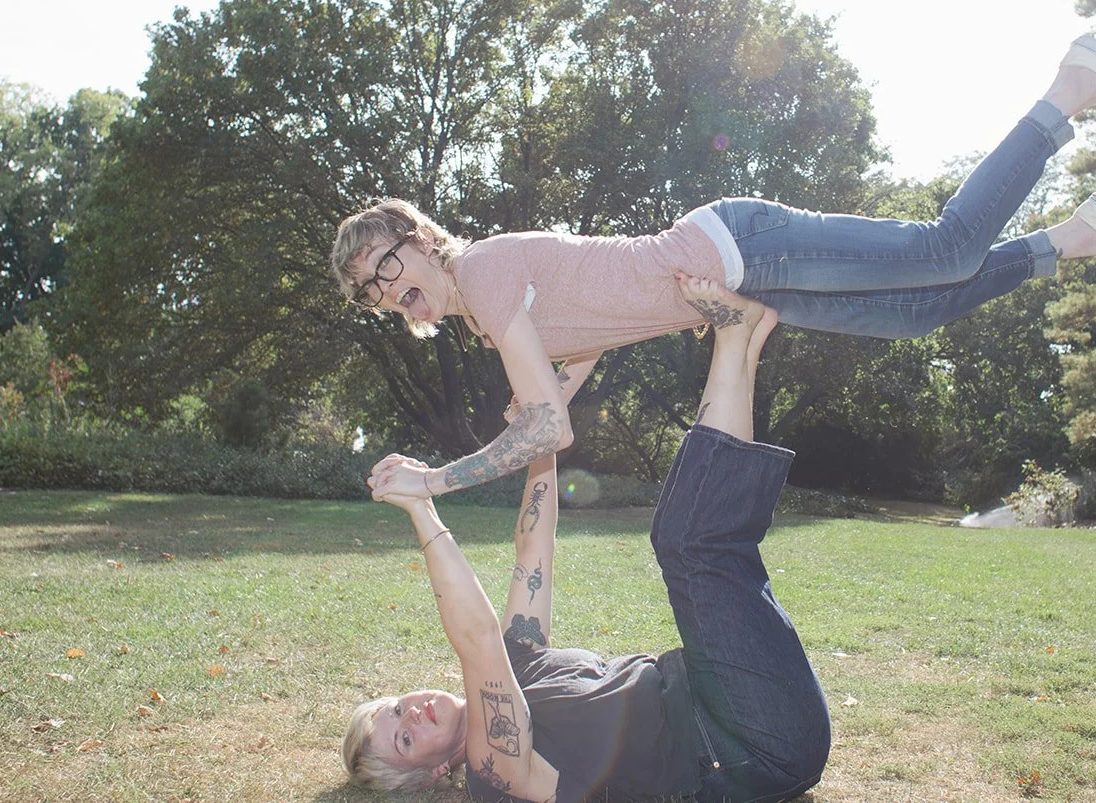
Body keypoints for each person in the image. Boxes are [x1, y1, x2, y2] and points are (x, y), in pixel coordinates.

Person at [331, 35, 1096, 500]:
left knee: (943, 249)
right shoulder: (489, 308)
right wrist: (558, 380)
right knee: (914, 311)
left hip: (736, 248)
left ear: (416, 233)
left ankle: (1070, 87)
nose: (387, 284)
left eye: (387, 260)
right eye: (373, 287)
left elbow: (550, 430)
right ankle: (1070, 239)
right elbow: (585, 333)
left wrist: (437, 478)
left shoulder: (477, 276)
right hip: (741, 283)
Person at [344, 279, 828, 802]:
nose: (411, 713)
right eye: (407, 737)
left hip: (723, 688)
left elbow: (534, 546)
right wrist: (422, 507)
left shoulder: (519, 658)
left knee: (697, 543)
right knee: (688, 544)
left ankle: (745, 339)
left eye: (396, 709)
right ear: (433, 772)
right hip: (751, 746)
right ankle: (735, 338)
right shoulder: (495, 773)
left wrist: (543, 428)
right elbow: (475, 639)